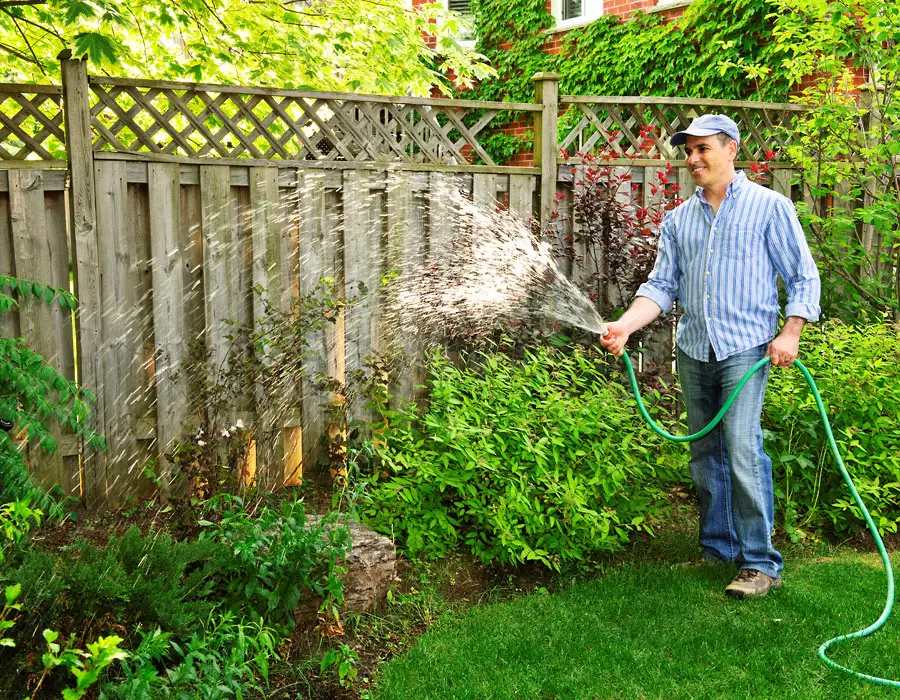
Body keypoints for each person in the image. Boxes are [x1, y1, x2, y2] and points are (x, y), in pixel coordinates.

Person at [600, 114, 821, 599]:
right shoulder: (680, 219)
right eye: (689, 151)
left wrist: (791, 332)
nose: (693, 159)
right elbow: (660, 287)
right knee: (705, 453)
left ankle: (760, 562)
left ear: (731, 150)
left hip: (746, 349)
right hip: (695, 349)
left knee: (742, 448)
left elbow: (803, 277)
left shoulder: (769, 207)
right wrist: (625, 325)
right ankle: (717, 548)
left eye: (703, 149)